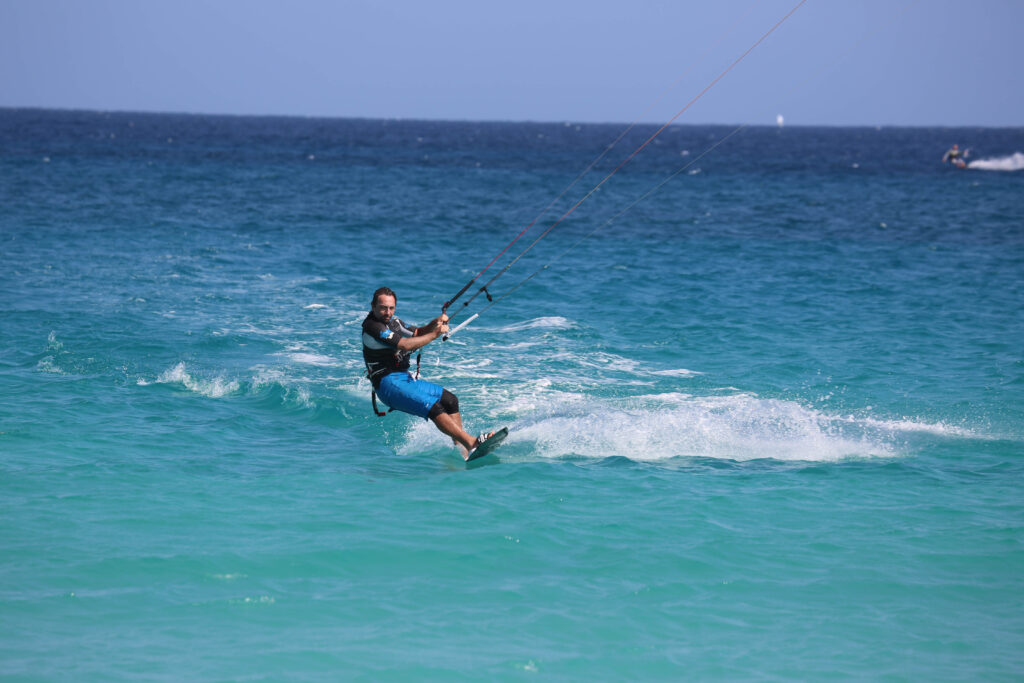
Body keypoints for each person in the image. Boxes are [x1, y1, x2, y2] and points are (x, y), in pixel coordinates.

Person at [361, 286, 492, 459]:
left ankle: (462, 451)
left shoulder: (394, 322)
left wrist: (435, 323)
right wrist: (436, 333)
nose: (387, 312)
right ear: (373, 306)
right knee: (433, 406)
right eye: (383, 307)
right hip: (387, 383)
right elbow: (406, 344)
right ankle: (471, 442)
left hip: (403, 379)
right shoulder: (373, 327)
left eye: (391, 308)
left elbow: (418, 332)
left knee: (450, 400)